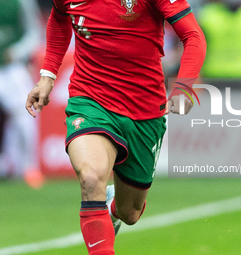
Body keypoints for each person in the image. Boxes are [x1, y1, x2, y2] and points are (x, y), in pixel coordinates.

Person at [26, 0, 206, 254]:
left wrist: (184, 86)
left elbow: (193, 35)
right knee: (91, 177)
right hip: (91, 100)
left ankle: (112, 209)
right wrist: (47, 75)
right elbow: (59, 18)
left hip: (144, 111)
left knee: (130, 212)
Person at [0, 0, 44, 189]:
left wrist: (17, 52)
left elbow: (34, 33)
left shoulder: (21, 2)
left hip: (11, 67)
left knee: (26, 114)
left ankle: (29, 167)